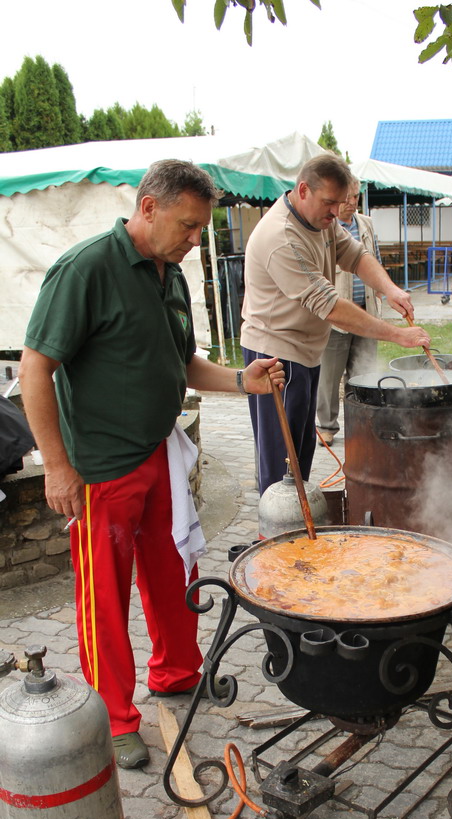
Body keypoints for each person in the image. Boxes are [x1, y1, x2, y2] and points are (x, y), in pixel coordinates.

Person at [19, 159, 284, 769]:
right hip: (100, 468)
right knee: (104, 600)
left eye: (200, 228)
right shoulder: (86, 269)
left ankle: (177, 673)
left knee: (174, 572)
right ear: (148, 208)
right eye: (188, 226)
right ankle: (112, 717)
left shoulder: (172, 273)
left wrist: (241, 380)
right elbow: (36, 368)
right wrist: (56, 466)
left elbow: (182, 362)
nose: (196, 239)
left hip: (159, 453)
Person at [240, 153, 431, 495]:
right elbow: (328, 305)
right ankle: (276, 526)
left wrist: (389, 289)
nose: (335, 212)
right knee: (282, 466)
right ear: (303, 190)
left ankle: (298, 519)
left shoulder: (322, 222)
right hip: (274, 357)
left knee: (301, 456)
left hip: (307, 352)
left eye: (340, 203)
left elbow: (356, 256)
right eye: (329, 202)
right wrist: (397, 335)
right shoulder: (281, 236)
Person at [315, 177, 381, 446]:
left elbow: (373, 259)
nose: (352, 202)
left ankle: (360, 425)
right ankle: (326, 425)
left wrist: (382, 290)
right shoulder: (325, 227)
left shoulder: (366, 224)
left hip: (366, 313)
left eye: (356, 197)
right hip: (337, 317)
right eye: (348, 197)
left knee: (363, 374)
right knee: (329, 377)